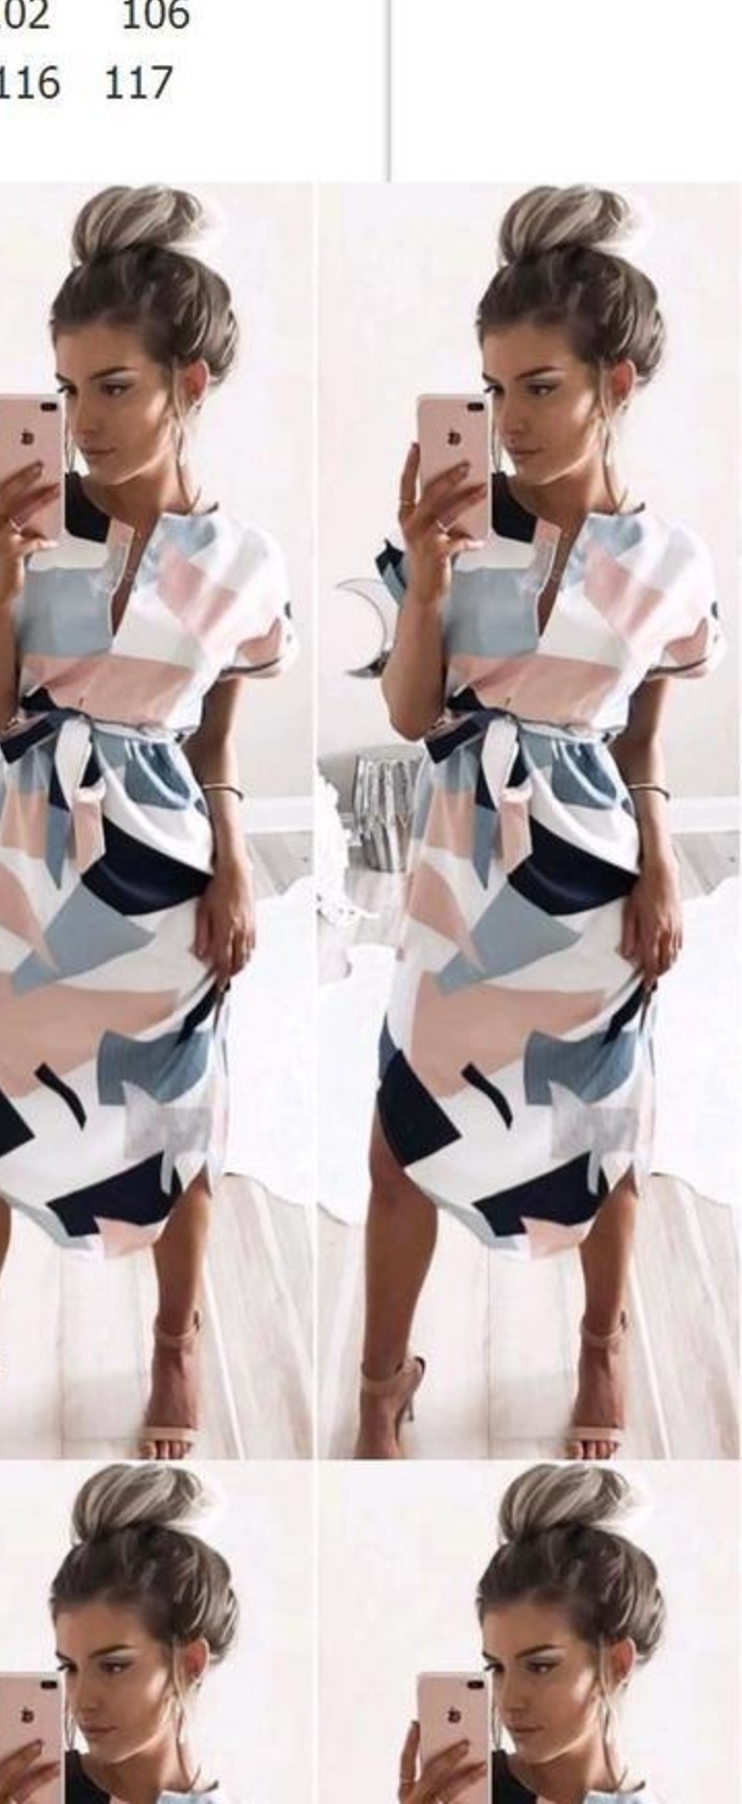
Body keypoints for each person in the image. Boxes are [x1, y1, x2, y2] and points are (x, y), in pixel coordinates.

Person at [357, 186, 723, 1461]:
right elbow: (413, 714)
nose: (507, 420)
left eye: (538, 387)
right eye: (492, 388)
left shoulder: (670, 563)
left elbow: (641, 741)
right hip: (458, 864)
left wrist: (659, 869)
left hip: (591, 872)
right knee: (402, 1133)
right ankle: (377, 1381)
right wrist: (426, 579)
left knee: (602, 1129)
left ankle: (600, 1346)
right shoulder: (455, 528)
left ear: (615, 383)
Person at [0, 186, 296, 1462]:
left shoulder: (244, 562)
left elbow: (215, 740)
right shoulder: (27, 528)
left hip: (165, 869)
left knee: (176, 1125)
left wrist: (233, 868)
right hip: (33, 860)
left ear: (189, 383)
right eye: (66, 388)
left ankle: (175, 1344)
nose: (81, 420)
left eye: (113, 387)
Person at [0, 1463, 241, 1804]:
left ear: (190, 1664)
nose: (82, 1701)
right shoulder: (36, 1795)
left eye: (113, 1667)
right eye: (70, 1667)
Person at [397, 1463, 666, 1804]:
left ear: (616, 1664)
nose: (509, 1701)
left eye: (540, 1667)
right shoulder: (463, 1795)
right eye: (497, 1667)